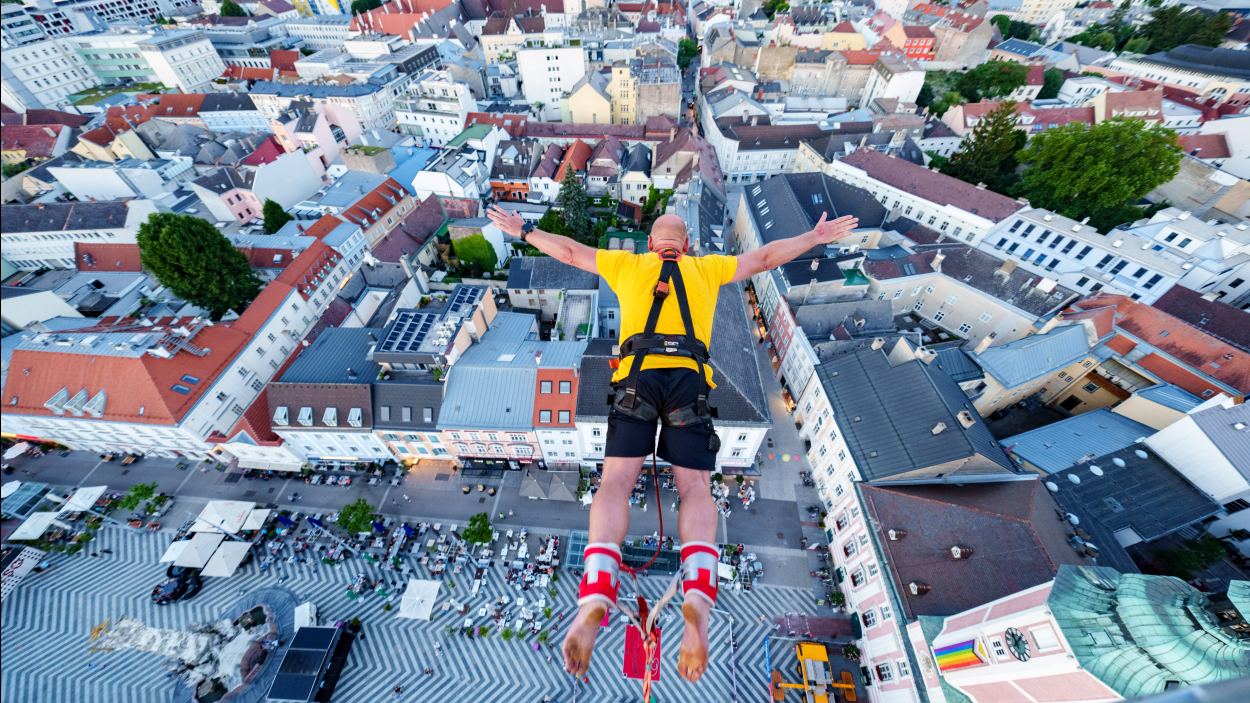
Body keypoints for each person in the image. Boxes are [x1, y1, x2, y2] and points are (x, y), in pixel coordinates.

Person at [486, 205, 857, 684]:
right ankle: (697, 599)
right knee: (696, 487)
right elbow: (765, 258)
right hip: (687, 380)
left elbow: (570, 252)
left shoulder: (629, 265)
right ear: (686, 246)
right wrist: (814, 235)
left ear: (649, 245)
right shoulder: (707, 268)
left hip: (637, 377)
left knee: (617, 480)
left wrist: (525, 229)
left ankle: (597, 594)